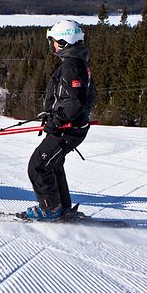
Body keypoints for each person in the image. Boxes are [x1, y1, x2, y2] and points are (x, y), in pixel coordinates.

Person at [24, 20, 95, 221]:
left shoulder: (71, 66)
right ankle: (61, 207)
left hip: (67, 129)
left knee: (37, 166)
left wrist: (57, 119)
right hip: (69, 126)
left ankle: (50, 209)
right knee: (53, 165)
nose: (53, 45)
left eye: (55, 41)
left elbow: (76, 101)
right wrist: (52, 114)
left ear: (65, 41)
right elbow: (87, 95)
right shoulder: (77, 62)